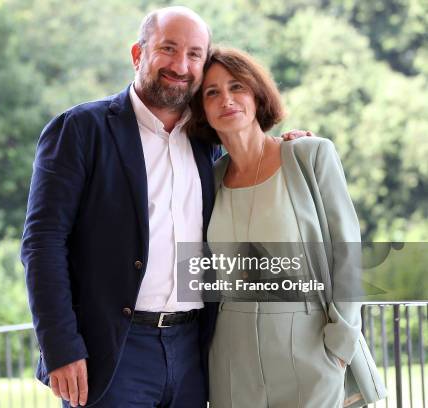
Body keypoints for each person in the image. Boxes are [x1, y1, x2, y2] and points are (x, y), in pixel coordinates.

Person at [21, 7, 308, 407]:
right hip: (112, 354)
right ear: (138, 54)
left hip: (194, 350)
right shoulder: (81, 130)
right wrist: (60, 347)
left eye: (194, 54)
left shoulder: (209, 141)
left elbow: (254, 170)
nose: (181, 65)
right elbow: (42, 244)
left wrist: (290, 149)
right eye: (168, 49)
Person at [186, 46, 386, 408]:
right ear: (201, 109)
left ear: (257, 95)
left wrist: (340, 342)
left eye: (236, 87)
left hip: (310, 346)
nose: (225, 99)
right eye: (211, 92)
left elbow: (348, 250)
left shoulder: (309, 155)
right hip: (230, 356)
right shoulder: (209, 178)